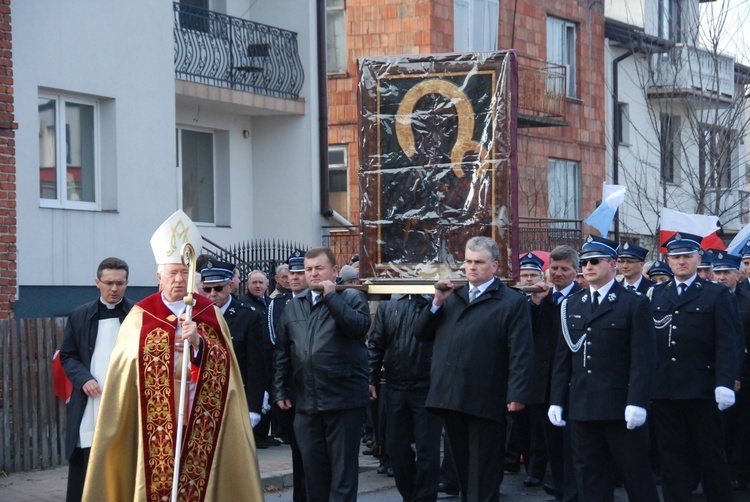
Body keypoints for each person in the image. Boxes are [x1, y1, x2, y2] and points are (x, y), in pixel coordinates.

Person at [82, 210, 262, 501]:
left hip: (197, 413)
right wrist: (163, 347)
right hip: (153, 418)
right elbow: (125, 367)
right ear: (159, 276)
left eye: (184, 272)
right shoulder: (141, 315)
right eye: (172, 273)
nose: (179, 280)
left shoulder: (209, 313)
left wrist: (199, 344)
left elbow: (227, 365)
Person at [414, 236, 534, 502]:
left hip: (486, 398)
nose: (471, 267)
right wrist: (436, 303)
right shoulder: (451, 296)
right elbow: (421, 334)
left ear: (494, 266)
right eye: (468, 261)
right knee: (462, 469)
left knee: (484, 472)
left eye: (479, 262)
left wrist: (517, 393)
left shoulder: (510, 301)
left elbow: (521, 351)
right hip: (451, 396)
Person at [549, 235, 659, 502]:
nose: (588, 267)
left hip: (619, 404)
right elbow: (563, 358)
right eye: (585, 262)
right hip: (582, 405)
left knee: (635, 474)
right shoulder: (571, 304)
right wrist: (556, 400)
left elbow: (643, 357)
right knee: (589, 475)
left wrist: (638, 401)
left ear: (612, 264)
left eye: (595, 261)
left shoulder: (634, 302)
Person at [273, 247, 371, 502]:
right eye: (308, 269)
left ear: (334, 271)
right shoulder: (295, 306)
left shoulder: (350, 297)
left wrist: (332, 297)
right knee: (314, 473)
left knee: (342, 475)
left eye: (319, 268)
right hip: (308, 402)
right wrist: (281, 389)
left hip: (343, 400)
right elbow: (283, 352)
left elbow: (358, 328)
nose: (313, 274)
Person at [650, 232, 737, 502]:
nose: (681, 262)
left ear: (699, 259)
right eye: (676, 257)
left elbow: (727, 341)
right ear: (669, 260)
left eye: (687, 256)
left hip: (702, 387)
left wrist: (725, 382)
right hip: (665, 388)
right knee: (671, 456)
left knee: (709, 454)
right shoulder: (656, 294)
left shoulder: (715, 294)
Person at [60, 257, 134, 502]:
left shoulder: (138, 315)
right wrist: (83, 379)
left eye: (120, 283)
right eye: (109, 282)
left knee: (124, 457)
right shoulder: (80, 315)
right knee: (87, 458)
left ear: (127, 283)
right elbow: (68, 355)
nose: (114, 289)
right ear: (97, 282)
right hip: (91, 400)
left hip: (126, 401)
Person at [368, 292, 441, 502]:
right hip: (396, 386)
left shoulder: (434, 303)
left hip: (427, 386)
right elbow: (376, 343)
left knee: (428, 450)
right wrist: (370, 377)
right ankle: (409, 495)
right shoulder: (388, 307)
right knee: (397, 449)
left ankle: (425, 497)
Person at [528, 245, 581, 502]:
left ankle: (572, 490)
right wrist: (536, 303)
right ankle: (559, 486)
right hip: (544, 383)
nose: (558, 273)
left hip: (571, 383)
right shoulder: (542, 298)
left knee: (572, 443)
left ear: (575, 271)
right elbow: (527, 333)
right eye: (554, 268)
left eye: (564, 269)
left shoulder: (582, 297)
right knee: (552, 442)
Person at [200, 258, 266, 430]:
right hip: (204, 396)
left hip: (236, 394)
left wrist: (254, 407)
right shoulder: (197, 317)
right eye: (207, 289)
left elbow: (256, 365)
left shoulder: (249, 317)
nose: (212, 294)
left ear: (230, 286)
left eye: (218, 288)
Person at [505, 253, 547, 485]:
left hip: (538, 371)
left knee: (538, 425)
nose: (529, 280)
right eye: (525, 275)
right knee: (519, 423)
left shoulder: (544, 300)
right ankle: (522, 461)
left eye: (533, 275)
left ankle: (536, 469)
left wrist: (538, 302)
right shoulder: (511, 299)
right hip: (515, 371)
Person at [241, 269, 277, 448]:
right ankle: (254, 435)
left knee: (269, 397)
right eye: (254, 283)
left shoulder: (271, 303)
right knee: (256, 396)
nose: (257, 286)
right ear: (247, 285)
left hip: (271, 358)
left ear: (267, 285)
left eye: (261, 283)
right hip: (255, 357)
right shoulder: (244, 304)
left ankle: (264, 433)